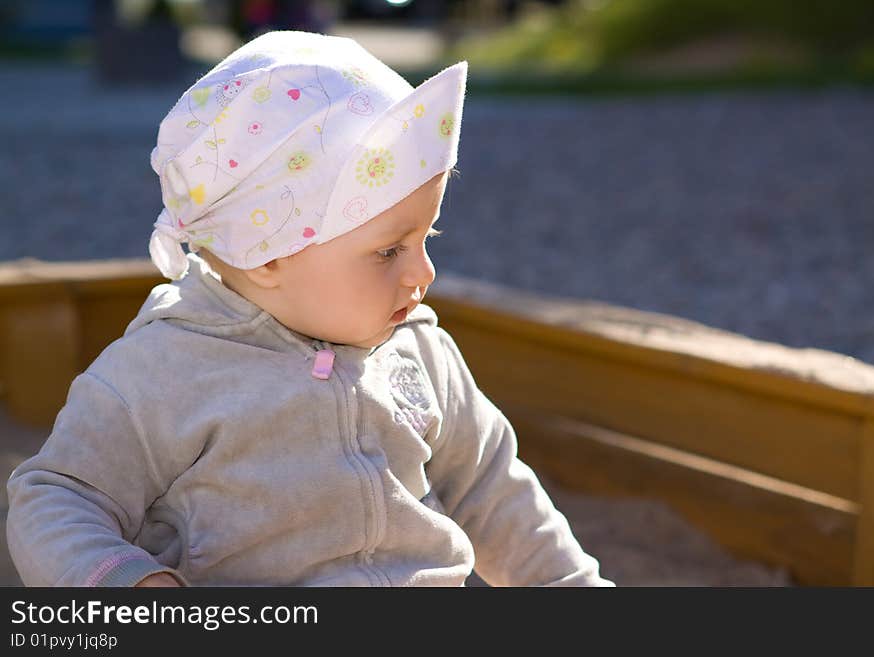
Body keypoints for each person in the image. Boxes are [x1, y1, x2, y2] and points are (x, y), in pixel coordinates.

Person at [6, 31, 613, 587]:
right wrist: (130, 586)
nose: (423, 273)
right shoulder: (162, 373)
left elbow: (493, 491)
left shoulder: (421, 353)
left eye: (427, 237)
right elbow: (55, 495)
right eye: (388, 251)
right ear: (265, 254)